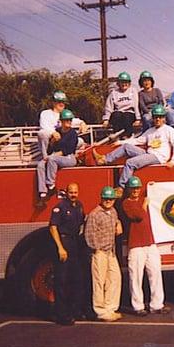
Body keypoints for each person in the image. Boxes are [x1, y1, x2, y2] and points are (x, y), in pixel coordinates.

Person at [93, 105, 174, 188]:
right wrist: (120, 142)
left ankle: (121, 187)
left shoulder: (169, 130)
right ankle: (104, 159)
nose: (157, 119)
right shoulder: (150, 130)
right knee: (126, 146)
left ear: (164, 118)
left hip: (158, 157)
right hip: (148, 153)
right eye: (155, 117)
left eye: (160, 117)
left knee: (130, 163)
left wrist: (173, 160)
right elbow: (138, 140)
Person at [122, 176, 171, 315]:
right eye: (133, 188)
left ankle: (156, 305)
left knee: (155, 274)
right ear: (129, 190)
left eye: (137, 188)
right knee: (136, 277)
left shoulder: (144, 198)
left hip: (150, 243)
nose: (135, 190)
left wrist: (153, 187)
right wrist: (144, 204)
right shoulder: (127, 203)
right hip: (136, 245)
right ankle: (138, 306)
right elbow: (139, 215)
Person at [84, 186, 123, 322]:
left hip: (110, 252)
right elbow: (89, 234)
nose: (108, 201)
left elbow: (116, 222)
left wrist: (119, 224)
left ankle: (110, 308)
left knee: (115, 278)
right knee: (99, 282)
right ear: (101, 198)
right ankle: (100, 311)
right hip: (99, 251)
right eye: (106, 198)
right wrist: (97, 249)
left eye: (111, 199)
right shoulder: (95, 214)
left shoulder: (113, 211)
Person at [48, 183, 85, 325]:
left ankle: (74, 311)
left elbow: (82, 222)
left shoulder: (79, 206)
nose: (73, 194)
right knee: (61, 280)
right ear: (66, 193)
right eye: (71, 192)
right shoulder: (60, 207)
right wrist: (60, 248)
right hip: (63, 243)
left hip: (75, 243)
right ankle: (61, 315)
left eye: (75, 192)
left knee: (76, 279)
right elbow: (53, 227)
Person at [36, 109, 78, 207]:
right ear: (61, 121)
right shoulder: (57, 131)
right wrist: (52, 141)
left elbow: (68, 150)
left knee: (51, 159)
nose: (69, 122)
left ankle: (51, 185)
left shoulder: (73, 134)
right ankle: (43, 192)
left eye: (70, 120)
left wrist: (52, 156)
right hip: (56, 156)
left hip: (69, 157)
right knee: (40, 164)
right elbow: (51, 148)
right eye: (66, 120)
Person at [38, 90, 87, 158]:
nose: (62, 104)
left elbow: (75, 121)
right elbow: (44, 126)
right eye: (59, 101)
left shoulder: (65, 114)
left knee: (80, 141)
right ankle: (45, 157)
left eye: (63, 102)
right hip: (51, 141)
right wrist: (53, 133)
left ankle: (65, 155)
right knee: (42, 133)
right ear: (53, 102)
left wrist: (82, 123)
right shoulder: (45, 113)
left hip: (62, 141)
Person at [102, 71, 141, 137]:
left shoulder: (133, 91)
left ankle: (127, 135)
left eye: (126, 82)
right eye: (122, 82)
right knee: (116, 115)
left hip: (129, 113)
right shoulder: (114, 93)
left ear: (129, 83)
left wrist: (138, 119)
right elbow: (109, 107)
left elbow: (136, 105)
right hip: (118, 113)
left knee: (127, 116)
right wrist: (106, 119)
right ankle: (116, 135)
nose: (124, 84)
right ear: (118, 83)